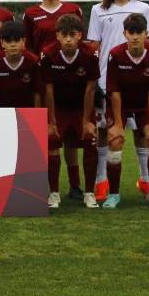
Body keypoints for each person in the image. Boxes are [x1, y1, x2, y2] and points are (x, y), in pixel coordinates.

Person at [86, 0, 149, 201]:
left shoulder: (143, 8)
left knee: (140, 131)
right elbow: (94, 45)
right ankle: (101, 180)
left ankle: (146, 180)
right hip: (108, 79)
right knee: (106, 130)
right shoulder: (99, 10)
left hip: (137, 81)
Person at [22, 0, 85, 199]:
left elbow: (81, 40)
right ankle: (47, 187)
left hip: (71, 81)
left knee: (69, 135)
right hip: (42, 80)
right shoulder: (30, 14)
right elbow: (27, 47)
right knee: (46, 134)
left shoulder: (72, 10)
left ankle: (76, 186)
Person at [103, 14, 149, 209]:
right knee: (115, 140)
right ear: (124, 34)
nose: (135, 37)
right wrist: (117, 124)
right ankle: (113, 195)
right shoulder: (115, 54)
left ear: (146, 34)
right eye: (131, 32)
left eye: (139, 32)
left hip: (143, 106)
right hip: (120, 105)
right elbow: (114, 92)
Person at [41, 14, 99, 209]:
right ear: (57, 35)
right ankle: (54, 193)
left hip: (82, 107)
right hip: (59, 108)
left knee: (90, 139)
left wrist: (87, 120)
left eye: (72, 35)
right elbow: (48, 89)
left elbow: (91, 89)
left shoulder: (90, 55)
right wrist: (51, 121)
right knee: (51, 141)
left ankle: (89, 193)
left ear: (80, 35)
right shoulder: (48, 55)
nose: (68, 39)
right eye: (64, 35)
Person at [0, 20, 41, 108]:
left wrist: (37, 117)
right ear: (2, 43)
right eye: (8, 41)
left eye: (16, 40)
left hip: (27, 112)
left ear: (24, 41)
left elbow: (37, 93)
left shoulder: (33, 61)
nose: (13, 45)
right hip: (2, 112)